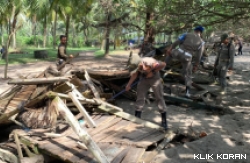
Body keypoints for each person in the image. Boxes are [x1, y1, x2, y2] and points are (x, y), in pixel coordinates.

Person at [125, 57, 168, 130]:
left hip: (154, 79)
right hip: (144, 79)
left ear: (140, 63)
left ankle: (164, 120)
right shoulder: (135, 64)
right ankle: (137, 117)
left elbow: (163, 64)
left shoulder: (150, 62)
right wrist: (128, 85)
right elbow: (135, 74)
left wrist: (153, 71)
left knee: (159, 97)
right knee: (140, 96)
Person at [165, 25, 205, 97]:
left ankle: (163, 67)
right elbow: (199, 56)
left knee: (169, 54)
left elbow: (176, 42)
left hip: (178, 52)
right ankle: (187, 92)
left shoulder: (186, 34)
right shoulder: (202, 42)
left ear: (194, 30)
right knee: (188, 74)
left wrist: (170, 49)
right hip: (187, 57)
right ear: (201, 33)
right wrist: (196, 65)